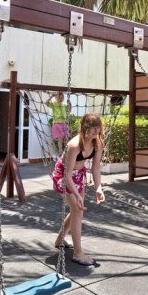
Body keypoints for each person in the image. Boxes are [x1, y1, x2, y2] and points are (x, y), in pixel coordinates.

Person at [52, 113, 105, 267]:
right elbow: (67, 175)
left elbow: (96, 168)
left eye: (98, 128)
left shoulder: (97, 144)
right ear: (84, 128)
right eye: (92, 127)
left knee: (77, 209)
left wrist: (99, 188)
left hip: (79, 174)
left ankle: (60, 239)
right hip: (64, 176)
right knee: (77, 209)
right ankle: (78, 253)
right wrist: (76, 194)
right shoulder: (74, 145)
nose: (95, 131)